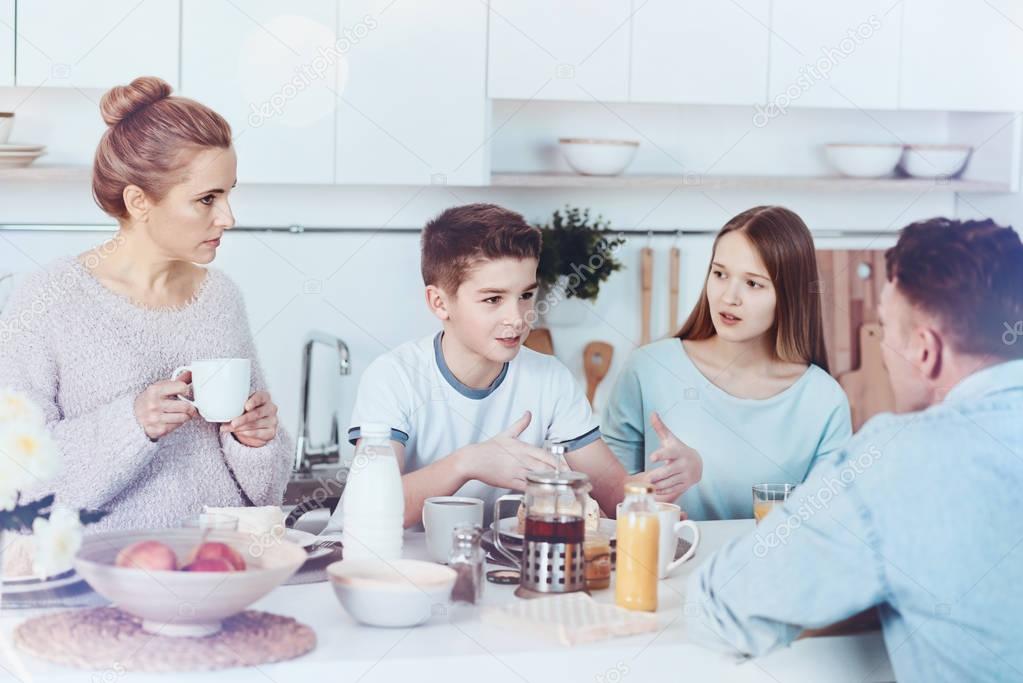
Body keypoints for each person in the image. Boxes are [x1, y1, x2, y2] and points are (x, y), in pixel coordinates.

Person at [687, 217, 1023, 682]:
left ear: (925, 352)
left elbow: (721, 609)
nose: (882, 344)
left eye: (885, 327)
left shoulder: (898, 460)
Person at [0, 76, 292, 530]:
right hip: (100, 576)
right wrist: (132, 424)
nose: (228, 217)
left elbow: (265, 493)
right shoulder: (50, 299)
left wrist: (257, 442)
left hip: (218, 566)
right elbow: (17, 481)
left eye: (230, 192)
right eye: (207, 199)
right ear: (139, 201)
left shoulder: (220, 296)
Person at [337, 203, 629, 528]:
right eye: (493, 299)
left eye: (526, 295)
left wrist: (658, 491)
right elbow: (372, 508)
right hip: (381, 565)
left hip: (486, 567)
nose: (517, 318)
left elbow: (616, 495)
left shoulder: (550, 379)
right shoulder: (393, 377)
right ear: (440, 302)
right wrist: (469, 462)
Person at [603, 206, 851, 518]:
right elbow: (605, 507)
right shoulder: (648, 369)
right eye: (720, 274)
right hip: (672, 566)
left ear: (790, 295)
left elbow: (830, 527)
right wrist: (653, 490)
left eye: (753, 283)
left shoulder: (824, 400)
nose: (728, 297)